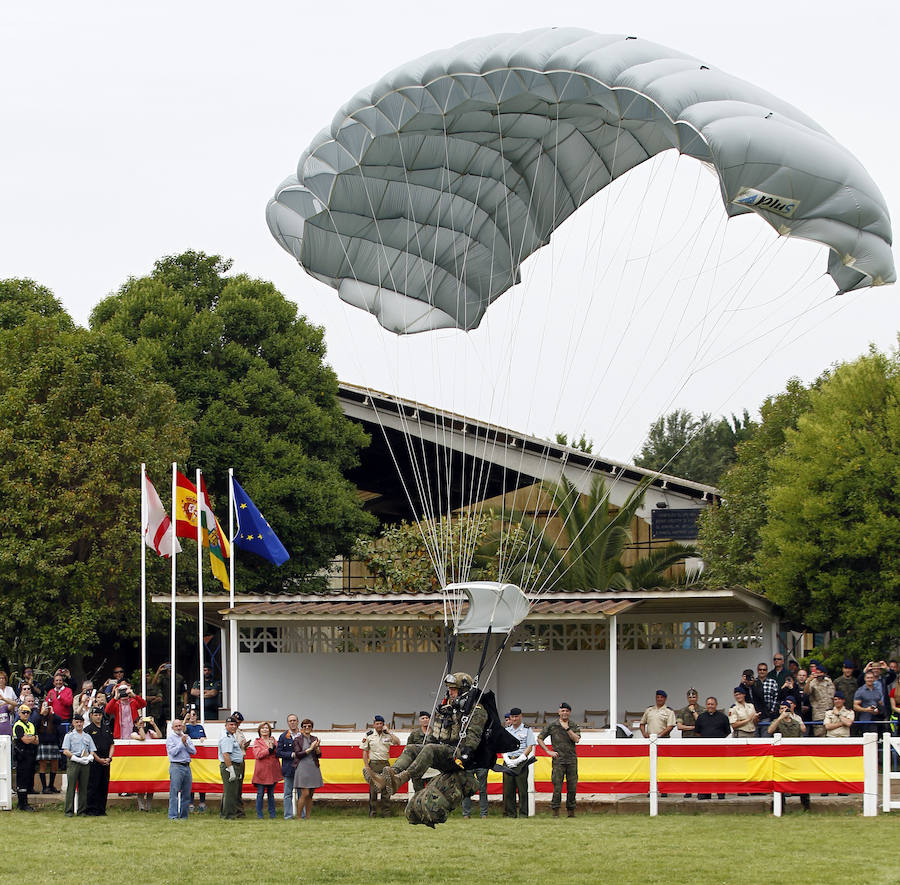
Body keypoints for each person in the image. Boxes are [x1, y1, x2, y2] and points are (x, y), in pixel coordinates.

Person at [537, 702, 581, 817]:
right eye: (562, 711)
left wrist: (567, 729)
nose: (564, 713)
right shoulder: (552, 725)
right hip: (558, 761)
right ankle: (555, 812)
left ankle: (571, 812)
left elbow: (576, 739)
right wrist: (548, 751)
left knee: (572, 787)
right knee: (557, 787)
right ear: (559, 712)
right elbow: (540, 738)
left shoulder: (573, 725)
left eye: (567, 711)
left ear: (570, 713)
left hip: (571, 760)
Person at [767, 697, 809, 810]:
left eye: (786, 708)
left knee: (801, 781)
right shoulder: (776, 722)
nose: (784, 710)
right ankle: (779, 806)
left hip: (795, 757)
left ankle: (806, 805)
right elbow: (770, 731)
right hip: (781, 757)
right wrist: (780, 718)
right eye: (781, 708)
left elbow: (800, 735)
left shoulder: (796, 723)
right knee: (779, 782)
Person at [360, 714, 399, 817]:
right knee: (373, 790)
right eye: (377, 724)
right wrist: (367, 766)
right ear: (374, 725)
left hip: (385, 764)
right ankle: (373, 813)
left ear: (383, 724)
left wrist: (389, 732)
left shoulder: (387, 735)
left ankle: (386, 813)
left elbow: (397, 742)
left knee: (386, 789)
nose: (379, 726)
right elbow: (364, 751)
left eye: (381, 724)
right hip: (373, 764)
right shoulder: (369, 735)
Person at [501, 706, 535, 818]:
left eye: (516, 716)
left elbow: (530, 746)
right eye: (512, 717)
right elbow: (502, 747)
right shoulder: (506, 731)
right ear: (510, 718)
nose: (514, 719)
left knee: (522, 790)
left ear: (521, 717)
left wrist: (520, 759)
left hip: (521, 762)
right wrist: (506, 759)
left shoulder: (527, 729)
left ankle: (523, 814)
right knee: (508, 790)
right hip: (508, 761)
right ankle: (510, 814)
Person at [694, 696, 730, 799]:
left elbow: (727, 732)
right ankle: (704, 793)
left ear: (716, 705)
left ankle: (721, 793)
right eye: (708, 704)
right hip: (705, 750)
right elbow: (698, 732)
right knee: (704, 771)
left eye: (712, 704)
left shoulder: (723, 717)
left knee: (720, 771)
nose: (710, 706)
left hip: (719, 749)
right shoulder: (701, 717)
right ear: (706, 705)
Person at [62, 714, 96, 815]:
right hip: (73, 762)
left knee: (83, 787)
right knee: (71, 787)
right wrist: (75, 758)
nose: (79, 724)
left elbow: (92, 750)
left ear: (83, 723)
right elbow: (65, 751)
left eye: (80, 722)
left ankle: (82, 811)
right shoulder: (69, 736)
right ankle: (69, 811)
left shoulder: (87, 736)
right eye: (77, 722)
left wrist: (90, 757)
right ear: (73, 723)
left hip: (85, 763)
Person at [84, 707, 114, 816]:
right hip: (94, 761)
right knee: (93, 786)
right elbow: (88, 748)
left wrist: (109, 758)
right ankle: (91, 809)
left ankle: (102, 809)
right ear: (91, 715)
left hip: (106, 761)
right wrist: (98, 759)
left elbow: (112, 744)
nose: (98, 717)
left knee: (104, 785)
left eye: (100, 715)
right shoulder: (88, 730)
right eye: (96, 715)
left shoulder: (106, 728)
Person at [165, 718, 196, 820]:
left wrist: (186, 743)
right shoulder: (170, 739)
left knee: (186, 793)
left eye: (180, 726)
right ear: (172, 728)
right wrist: (181, 743)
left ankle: (184, 816)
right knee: (174, 793)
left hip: (187, 766)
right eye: (176, 726)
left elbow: (194, 751)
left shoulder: (187, 737)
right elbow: (173, 752)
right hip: (176, 766)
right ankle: (173, 816)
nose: (178, 728)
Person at [293, 718, 323, 820]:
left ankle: (308, 816)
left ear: (312, 728)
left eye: (309, 726)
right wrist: (310, 748)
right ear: (301, 728)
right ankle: (299, 816)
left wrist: (317, 748)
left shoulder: (315, 738)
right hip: (302, 767)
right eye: (305, 726)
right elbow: (298, 754)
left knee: (310, 794)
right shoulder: (297, 740)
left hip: (313, 767)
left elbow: (319, 755)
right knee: (304, 793)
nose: (307, 728)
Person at [251, 721, 281, 819]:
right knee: (260, 793)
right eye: (263, 728)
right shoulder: (257, 741)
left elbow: (278, 752)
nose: (265, 730)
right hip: (261, 772)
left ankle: (272, 815)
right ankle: (260, 815)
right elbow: (258, 755)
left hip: (272, 771)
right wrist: (269, 750)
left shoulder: (273, 740)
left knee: (271, 794)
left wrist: (274, 748)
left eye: (267, 728)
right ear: (259, 730)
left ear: (270, 730)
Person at [131, 715, 162, 810]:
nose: (142, 723)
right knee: (140, 785)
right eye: (139, 721)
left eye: (143, 721)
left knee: (150, 785)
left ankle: (148, 807)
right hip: (140, 762)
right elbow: (142, 738)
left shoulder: (150, 732)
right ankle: (141, 807)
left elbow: (160, 736)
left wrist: (153, 724)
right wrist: (140, 727)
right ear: (135, 724)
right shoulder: (133, 734)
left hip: (150, 761)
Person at [12, 704, 38, 811]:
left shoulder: (31, 725)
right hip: (21, 756)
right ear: (19, 713)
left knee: (28, 779)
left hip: (31, 755)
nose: (26, 714)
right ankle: (22, 804)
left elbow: (37, 741)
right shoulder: (18, 725)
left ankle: (25, 802)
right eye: (23, 712)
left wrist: (30, 738)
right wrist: (31, 738)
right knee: (22, 780)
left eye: (28, 712)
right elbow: (26, 740)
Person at [218, 715, 244, 820]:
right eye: (231, 725)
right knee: (230, 792)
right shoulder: (226, 737)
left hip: (233, 764)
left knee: (231, 791)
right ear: (226, 726)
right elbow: (226, 755)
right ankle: (228, 815)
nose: (233, 727)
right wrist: (231, 770)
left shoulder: (230, 736)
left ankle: (225, 813)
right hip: (230, 765)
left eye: (235, 725)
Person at [277, 713, 302, 819]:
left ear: (298, 722)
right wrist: (291, 755)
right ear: (288, 723)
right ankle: (288, 815)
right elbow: (278, 752)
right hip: (288, 768)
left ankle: (302, 815)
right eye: (290, 721)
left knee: (302, 794)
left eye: (294, 720)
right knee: (287, 794)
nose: (292, 722)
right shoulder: (283, 736)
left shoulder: (303, 735)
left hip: (301, 768)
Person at [35, 700, 62, 793]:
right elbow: (35, 725)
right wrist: (41, 715)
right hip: (43, 744)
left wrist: (53, 713)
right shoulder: (38, 717)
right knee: (43, 765)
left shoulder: (52, 717)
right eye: (44, 706)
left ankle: (51, 786)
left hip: (53, 743)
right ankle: (44, 787)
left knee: (54, 765)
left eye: (47, 706)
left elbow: (59, 721)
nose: (46, 708)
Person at [184, 708, 208, 812]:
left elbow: (205, 738)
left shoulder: (200, 727)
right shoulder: (187, 727)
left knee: (201, 779)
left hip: (201, 758)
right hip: (191, 758)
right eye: (191, 715)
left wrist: (203, 739)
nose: (192, 717)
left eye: (194, 715)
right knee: (191, 780)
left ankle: (202, 802)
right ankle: (190, 803)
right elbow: (182, 731)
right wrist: (185, 718)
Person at [805, 660, 835, 736]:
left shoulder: (829, 681)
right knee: (819, 734)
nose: (819, 674)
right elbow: (806, 692)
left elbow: (832, 695)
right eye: (817, 673)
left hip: (830, 711)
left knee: (831, 734)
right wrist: (809, 681)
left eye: (820, 673)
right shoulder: (812, 682)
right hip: (818, 713)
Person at [405, 710, 431, 793]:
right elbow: (408, 749)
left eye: (427, 718)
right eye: (423, 718)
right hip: (418, 767)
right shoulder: (415, 734)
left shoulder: (435, 733)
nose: (425, 720)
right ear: (420, 720)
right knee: (418, 792)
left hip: (432, 767)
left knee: (432, 791)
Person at [854, 668, 884, 736]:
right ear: (865, 679)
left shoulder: (877, 691)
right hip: (865, 720)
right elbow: (855, 706)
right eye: (868, 678)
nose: (870, 679)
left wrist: (878, 710)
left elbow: (880, 704)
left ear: (874, 679)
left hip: (877, 720)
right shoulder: (860, 691)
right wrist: (866, 709)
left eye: (871, 678)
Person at [752, 663, 779, 736]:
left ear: (767, 671)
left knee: (766, 737)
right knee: (755, 739)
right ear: (757, 671)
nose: (762, 671)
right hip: (754, 715)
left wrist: (772, 710)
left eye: (764, 670)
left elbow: (776, 697)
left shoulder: (772, 682)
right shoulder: (753, 682)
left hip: (767, 714)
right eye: (760, 669)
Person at [0, 670, 17, 738]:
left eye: (3, 678)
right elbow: (10, 701)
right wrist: (7, 702)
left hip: (11, 713)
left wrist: (5, 701)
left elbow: (15, 702)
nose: (1, 680)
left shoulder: (10, 689)